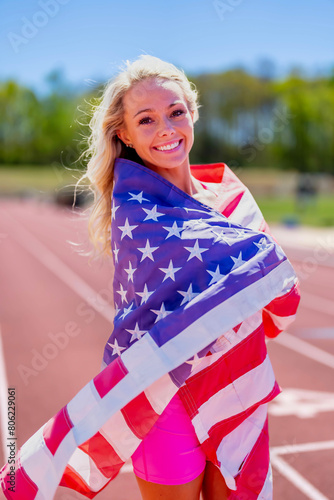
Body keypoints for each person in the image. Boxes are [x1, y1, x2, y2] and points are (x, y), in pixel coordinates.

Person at [0, 56, 300, 500]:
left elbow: (263, 286)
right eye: (147, 119)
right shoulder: (137, 213)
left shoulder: (233, 195)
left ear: (192, 113)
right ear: (124, 134)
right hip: (161, 396)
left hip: (237, 379)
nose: (166, 128)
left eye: (176, 112)